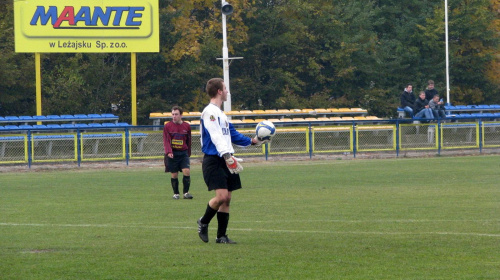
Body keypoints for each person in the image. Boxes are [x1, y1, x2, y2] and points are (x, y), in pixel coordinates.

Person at [196, 78, 264, 244]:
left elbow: (232, 135)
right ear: (219, 91)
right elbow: (216, 136)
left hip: (227, 158)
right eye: (225, 88)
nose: (227, 92)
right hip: (214, 159)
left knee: (227, 199)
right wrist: (227, 155)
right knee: (221, 196)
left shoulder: (222, 115)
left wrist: (253, 141)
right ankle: (203, 222)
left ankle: (221, 236)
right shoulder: (209, 112)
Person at [163, 106, 193, 200]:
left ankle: (186, 193)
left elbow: (189, 140)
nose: (174, 116)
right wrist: (169, 152)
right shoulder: (168, 126)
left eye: (176, 114)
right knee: (174, 174)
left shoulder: (187, 126)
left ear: (181, 115)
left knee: (186, 171)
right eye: (173, 114)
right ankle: (176, 193)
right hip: (173, 153)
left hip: (183, 153)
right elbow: (166, 140)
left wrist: (188, 152)